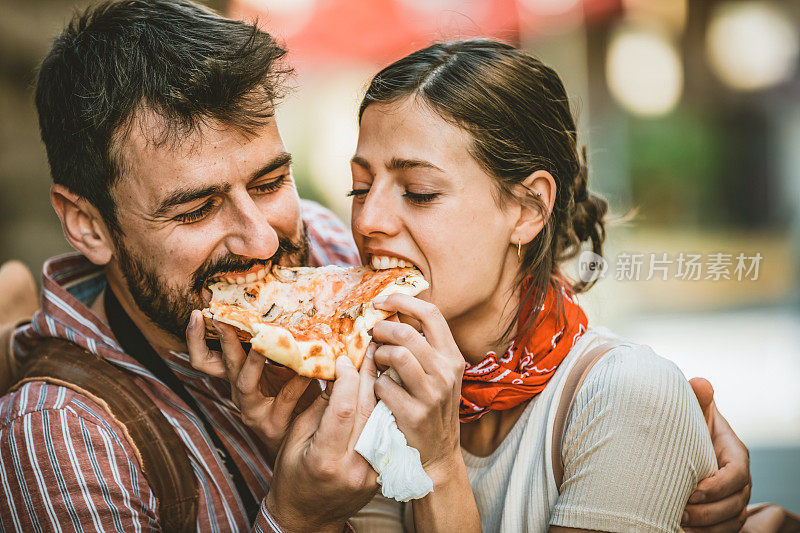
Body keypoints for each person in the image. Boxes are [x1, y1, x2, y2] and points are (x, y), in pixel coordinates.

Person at [0, 1, 747, 531]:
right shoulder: (61, 435)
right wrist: (297, 513)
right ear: (87, 223)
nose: (263, 242)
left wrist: (664, 435)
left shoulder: (330, 260)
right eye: (197, 210)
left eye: (269, 182)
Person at [192, 39, 754, 532]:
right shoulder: (379, 391)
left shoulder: (630, 395)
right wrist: (295, 451)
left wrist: (437, 466)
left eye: (418, 192)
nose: (367, 222)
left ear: (529, 208)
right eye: (361, 188)